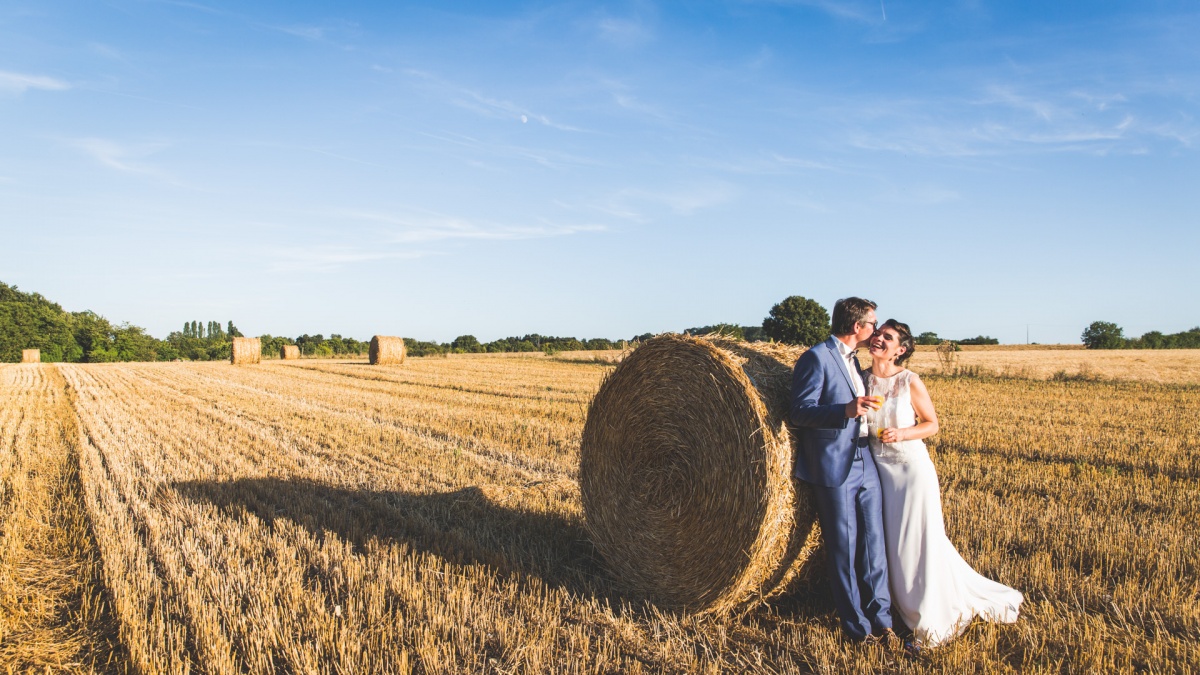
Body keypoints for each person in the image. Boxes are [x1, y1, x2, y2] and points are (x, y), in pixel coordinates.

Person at [864, 319, 1023, 649]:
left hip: (910, 470)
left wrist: (903, 433)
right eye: (878, 333)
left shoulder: (909, 381)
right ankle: (899, 605)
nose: (879, 338)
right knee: (891, 545)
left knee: (915, 543)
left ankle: (929, 619)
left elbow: (931, 424)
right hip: (879, 472)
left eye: (888, 337)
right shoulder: (861, 378)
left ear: (901, 350)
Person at [790, 297, 894, 644]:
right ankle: (858, 629)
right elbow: (800, 412)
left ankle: (883, 621)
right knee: (844, 549)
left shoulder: (856, 360)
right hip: (835, 466)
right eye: (872, 324)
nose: (876, 330)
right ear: (856, 327)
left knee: (873, 546)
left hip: (866, 459)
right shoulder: (816, 358)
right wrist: (845, 410)